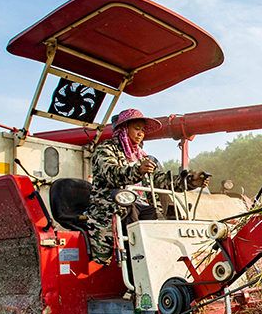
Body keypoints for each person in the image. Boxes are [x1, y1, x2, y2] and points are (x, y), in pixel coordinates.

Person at [84, 108, 207, 263]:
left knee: (157, 219)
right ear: (123, 128)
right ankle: (135, 265)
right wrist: (137, 171)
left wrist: (190, 181)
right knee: (134, 224)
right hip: (110, 208)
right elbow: (112, 173)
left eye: (142, 130)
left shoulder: (141, 157)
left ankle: (163, 264)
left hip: (139, 206)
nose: (141, 133)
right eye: (137, 129)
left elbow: (160, 180)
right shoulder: (106, 149)